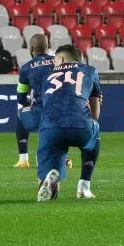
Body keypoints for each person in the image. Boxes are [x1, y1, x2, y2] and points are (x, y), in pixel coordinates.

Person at [34, 45, 102, 202]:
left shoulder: (46, 75)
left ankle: (49, 181)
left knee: (52, 157)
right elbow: (95, 114)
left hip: (50, 127)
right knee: (95, 129)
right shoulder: (90, 71)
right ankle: (84, 185)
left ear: (60, 59)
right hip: (80, 126)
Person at [14, 34, 54, 168]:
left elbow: (20, 97)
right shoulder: (61, 62)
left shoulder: (26, 68)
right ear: (48, 47)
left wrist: (30, 103)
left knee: (20, 114)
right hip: (66, 113)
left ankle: (23, 159)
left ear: (31, 49)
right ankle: (63, 157)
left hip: (40, 113)